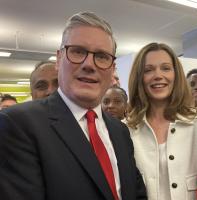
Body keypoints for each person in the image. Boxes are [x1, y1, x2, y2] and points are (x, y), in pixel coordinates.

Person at [0, 11, 146, 200]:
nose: (89, 65)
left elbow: (137, 194)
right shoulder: (17, 124)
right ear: (59, 59)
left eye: (101, 56)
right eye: (78, 51)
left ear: (112, 69)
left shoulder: (120, 131)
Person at [126, 42, 197, 200]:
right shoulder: (125, 129)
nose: (158, 75)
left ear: (176, 74)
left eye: (165, 68)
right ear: (139, 78)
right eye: (148, 70)